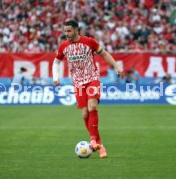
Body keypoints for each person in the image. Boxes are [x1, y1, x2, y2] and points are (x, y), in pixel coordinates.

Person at [52, 20, 123, 158]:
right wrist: (56, 76)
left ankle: (92, 141)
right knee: (85, 114)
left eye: (69, 31)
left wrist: (116, 66)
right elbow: (56, 61)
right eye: (65, 31)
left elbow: (104, 54)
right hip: (78, 83)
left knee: (92, 106)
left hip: (92, 79)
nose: (66, 34)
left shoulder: (89, 41)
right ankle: (99, 145)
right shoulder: (64, 46)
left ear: (76, 30)